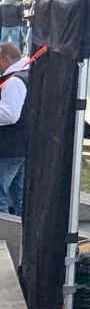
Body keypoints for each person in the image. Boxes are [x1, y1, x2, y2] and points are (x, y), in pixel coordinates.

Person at [0, 44, 28, 215]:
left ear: (5, 60)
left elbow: (10, 114)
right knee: (18, 193)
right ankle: (22, 230)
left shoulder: (14, 81)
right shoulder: (27, 74)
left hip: (9, 147)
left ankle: (4, 232)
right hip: (21, 145)